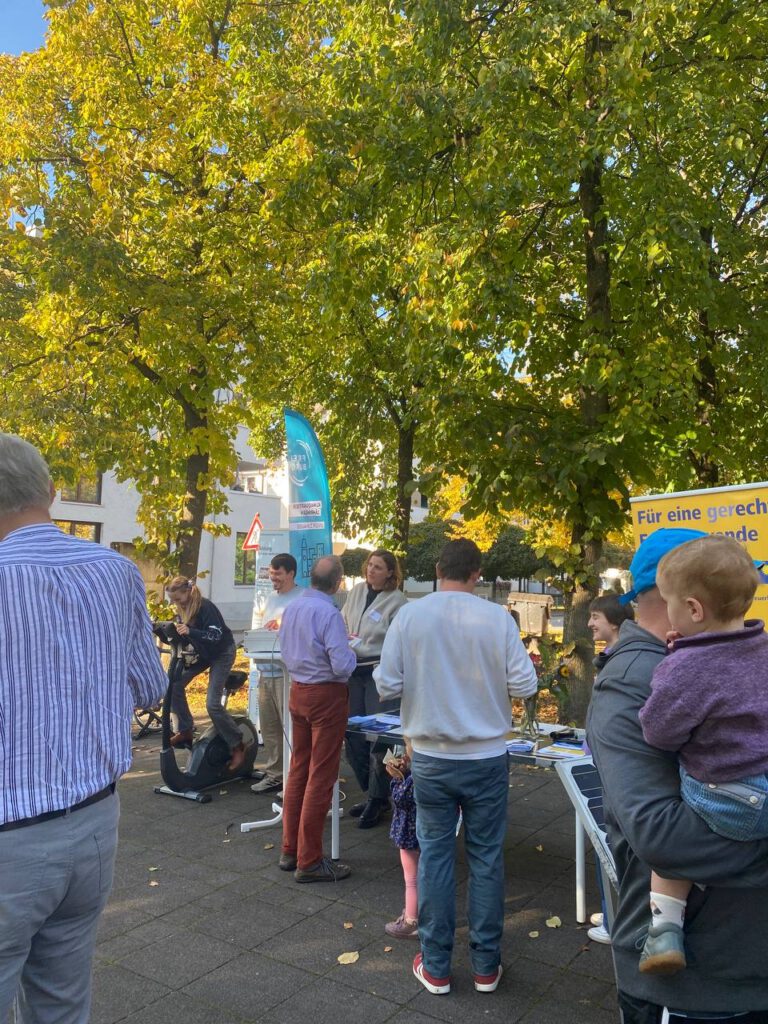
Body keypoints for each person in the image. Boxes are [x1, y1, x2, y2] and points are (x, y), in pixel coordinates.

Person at [0, 433, 167, 1023]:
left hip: (10, 836)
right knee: (62, 1004)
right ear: (50, 492)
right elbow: (151, 688)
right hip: (95, 824)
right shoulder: (117, 571)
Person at [587, 528, 768, 1023]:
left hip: (729, 963)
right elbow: (662, 835)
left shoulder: (683, 670)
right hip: (701, 986)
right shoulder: (630, 683)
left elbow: (665, 740)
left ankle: (664, 924)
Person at [375, 538, 538, 996]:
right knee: (487, 858)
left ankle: (437, 965)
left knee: (436, 856)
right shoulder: (496, 618)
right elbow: (525, 683)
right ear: (477, 573)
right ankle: (487, 966)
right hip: (486, 756)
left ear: (437, 569)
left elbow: (386, 683)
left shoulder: (410, 615)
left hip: (431, 757)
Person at [636, 535, 768, 975]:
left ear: (693, 610)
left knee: (667, 836)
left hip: (729, 799)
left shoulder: (683, 669)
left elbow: (659, 733)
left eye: (670, 602)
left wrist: (673, 665)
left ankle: (664, 931)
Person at [278, 555, 357, 882]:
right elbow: (342, 665)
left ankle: (289, 849)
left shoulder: (293, 607)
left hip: (298, 691)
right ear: (338, 583)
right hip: (326, 695)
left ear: (310, 578)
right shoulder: (330, 614)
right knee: (321, 776)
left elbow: (284, 650)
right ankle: (309, 861)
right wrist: (354, 654)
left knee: (298, 770)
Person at [342, 548, 407, 828]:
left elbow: (396, 643)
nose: (371, 570)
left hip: (378, 673)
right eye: (370, 565)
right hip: (352, 670)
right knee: (352, 734)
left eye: (378, 567)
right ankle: (373, 792)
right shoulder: (356, 591)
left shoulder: (398, 602)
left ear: (391, 572)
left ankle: (378, 799)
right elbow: (343, 620)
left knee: (379, 738)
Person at [164, 576, 248, 773]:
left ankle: (237, 743)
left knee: (211, 703)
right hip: (204, 652)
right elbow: (187, 635)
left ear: (187, 592)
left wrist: (190, 632)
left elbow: (215, 635)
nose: (176, 604)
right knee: (173, 684)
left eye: (178, 599)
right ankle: (185, 730)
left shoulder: (205, 606)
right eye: (173, 600)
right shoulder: (182, 608)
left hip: (222, 652)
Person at [251, 553, 301, 795]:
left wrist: (282, 626)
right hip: (266, 671)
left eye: (278, 574)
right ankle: (274, 774)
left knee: (289, 727)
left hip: (287, 674)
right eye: (271, 574)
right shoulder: (270, 597)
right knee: (269, 727)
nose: (274, 579)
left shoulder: (301, 598)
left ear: (291, 573)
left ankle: (294, 777)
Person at [383, 741, 420, 940]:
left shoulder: (413, 779)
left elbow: (400, 798)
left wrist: (397, 778)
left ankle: (411, 920)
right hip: (426, 829)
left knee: (411, 879)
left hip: (408, 832)